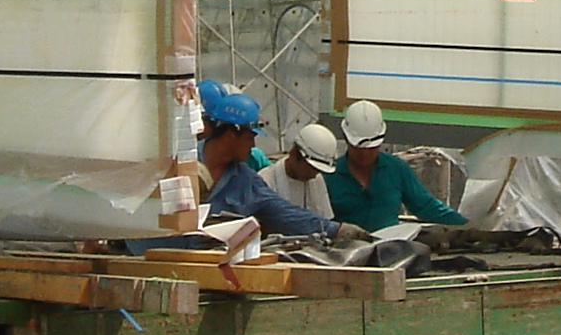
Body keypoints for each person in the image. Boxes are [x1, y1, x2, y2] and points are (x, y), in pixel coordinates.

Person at [196, 80, 333, 238]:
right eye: (249, 138)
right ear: (231, 134)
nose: (253, 145)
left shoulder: (247, 183)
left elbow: (288, 214)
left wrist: (335, 229)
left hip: (210, 260)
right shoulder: (180, 163)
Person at [325, 100, 469, 233]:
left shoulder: (396, 169)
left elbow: (425, 205)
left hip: (390, 251)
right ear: (345, 137)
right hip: (342, 255)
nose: (365, 154)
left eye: (372, 148)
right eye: (358, 147)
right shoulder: (328, 176)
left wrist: (467, 225)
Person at [260, 122, 344, 222]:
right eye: (310, 168)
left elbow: (325, 219)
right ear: (294, 155)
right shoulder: (266, 182)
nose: (313, 175)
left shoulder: (317, 180)